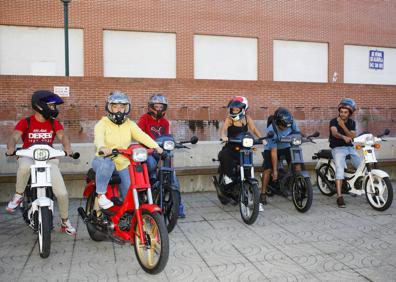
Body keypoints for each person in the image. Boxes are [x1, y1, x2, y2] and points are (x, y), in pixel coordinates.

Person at [5, 90, 76, 235]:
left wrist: (68, 148)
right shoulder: (26, 122)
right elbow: (14, 136)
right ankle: (18, 195)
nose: (54, 109)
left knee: (62, 193)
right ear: (40, 105)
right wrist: (11, 147)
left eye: (54, 106)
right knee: (24, 167)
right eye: (51, 105)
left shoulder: (54, 123)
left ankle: (65, 221)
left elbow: (63, 137)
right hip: (28, 155)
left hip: (48, 158)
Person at [92, 91, 163, 209]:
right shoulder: (102, 123)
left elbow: (141, 135)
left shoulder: (129, 124)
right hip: (103, 160)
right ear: (109, 108)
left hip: (123, 163)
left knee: (129, 192)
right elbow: (98, 138)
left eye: (122, 107)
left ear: (126, 108)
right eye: (115, 106)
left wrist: (156, 147)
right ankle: (101, 196)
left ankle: (127, 214)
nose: (119, 110)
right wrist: (102, 148)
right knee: (107, 163)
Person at [137, 93, 186, 218]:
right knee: (151, 164)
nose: (158, 109)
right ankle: (147, 190)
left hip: (162, 152)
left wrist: (174, 142)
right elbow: (139, 135)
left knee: (172, 175)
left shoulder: (165, 122)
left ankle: (177, 206)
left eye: (161, 106)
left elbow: (168, 136)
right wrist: (150, 146)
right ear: (150, 106)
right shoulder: (144, 119)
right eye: (156, 106)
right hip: (149, 151)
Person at [218, 96, 263, 208]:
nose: (234, 111)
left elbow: (254, 129)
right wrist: (223, 136)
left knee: (249, 168)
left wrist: (262, 139)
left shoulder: (247, 119)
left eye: (236, 109)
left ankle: (255, 199)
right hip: (231, 147)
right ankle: (227, 177)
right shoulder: (229, 119)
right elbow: (223, 129)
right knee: (224, 156)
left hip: (244, 148)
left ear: (243, 109)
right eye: (233, 109)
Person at [261, 107, 301, 205]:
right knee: (268, 170)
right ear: (278, 122)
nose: (286, 128)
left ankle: (297, 185)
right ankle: (263, 193)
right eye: (284, 126)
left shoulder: (290, 122)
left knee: (297, 164)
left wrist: (302, 137)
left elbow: (297, 133)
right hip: (271, 149)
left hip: (286, 146)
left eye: (288, 125)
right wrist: (274, 171)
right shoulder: (271, 130)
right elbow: (273, 152)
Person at [329, 98, 361, 208]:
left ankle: (356, 187)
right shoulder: (333, 121)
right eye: (341, 111)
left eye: (345, 112)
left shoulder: (352, 122)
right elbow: (334, 133)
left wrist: (343, 126)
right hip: (337, 148)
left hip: (350, 148)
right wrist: (343, 136)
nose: (343, 114)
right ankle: (339, 196)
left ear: (350, 113)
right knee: (340, 169)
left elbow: (352, 136)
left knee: (361, 166)